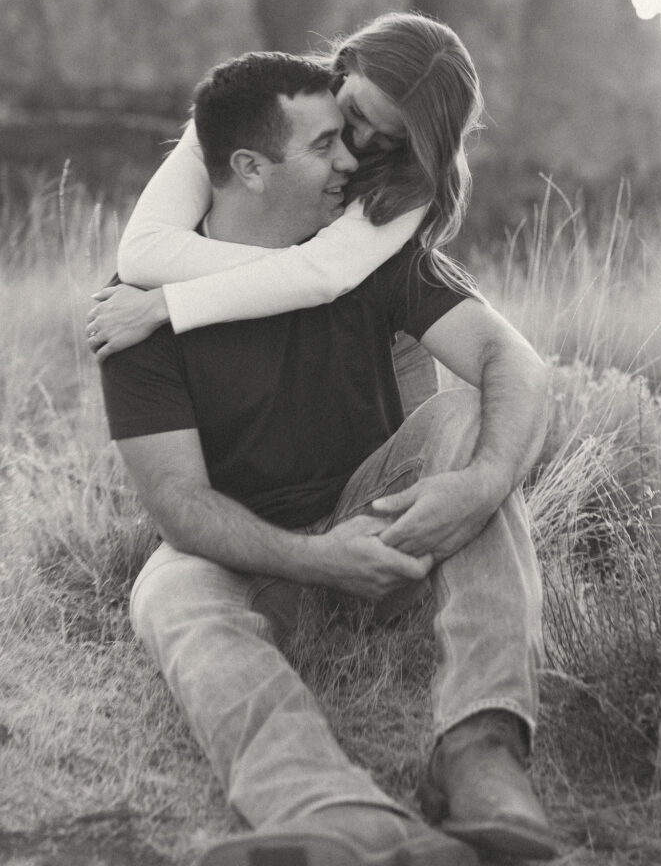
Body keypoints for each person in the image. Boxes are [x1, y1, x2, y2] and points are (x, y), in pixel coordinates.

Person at [98, 51, 555, 866]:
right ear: (248, 166)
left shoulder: (369, 249)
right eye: (325, 144)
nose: (354, 157)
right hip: (250, 551)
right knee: (166, 589)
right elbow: (177, 504)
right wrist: (315, 560)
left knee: (464, 419)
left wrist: (480, 482)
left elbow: (511, 362)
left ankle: (479, 751)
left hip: (374, 525)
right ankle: (336, 814)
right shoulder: (138, 314)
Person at [87, 13, 482, 417]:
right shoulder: (256, 105)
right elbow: (144, 252)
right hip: (277, 343)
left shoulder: (413, 176)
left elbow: (326, 276)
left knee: (412, 466)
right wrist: (305, 277)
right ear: (347, 66)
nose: (361, 141)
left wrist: (167, 303)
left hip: (384, 352)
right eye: (359, 114)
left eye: (390, 138)